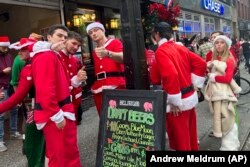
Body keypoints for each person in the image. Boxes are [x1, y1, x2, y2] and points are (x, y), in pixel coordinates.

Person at [150, 22, 206, 150]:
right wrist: (195, 85)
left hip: (177, 103)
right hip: (188, 98)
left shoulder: (161, 51)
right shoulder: (180, 47)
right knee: (191, 136)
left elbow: (171, 74)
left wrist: (174, 101)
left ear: (157, 34)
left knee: (181, 141)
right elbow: (201, 64)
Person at [204, 35, 240, 150]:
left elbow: (228, 78)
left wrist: (213, 77)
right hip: (216, 94)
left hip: (225, 95)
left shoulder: (229, 59)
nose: (219, 44)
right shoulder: (216, 59)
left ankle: (230, 147)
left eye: (222, 42)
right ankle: (229, 145)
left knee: (227, 119)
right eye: (216, 43)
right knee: (221, 118)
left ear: (226, 45)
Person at [86, 22, 125, 116]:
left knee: (118, 116)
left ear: (103, 30)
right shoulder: (94, 51)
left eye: (96, 30)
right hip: (99, 87)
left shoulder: (115, 42)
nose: (93, 34)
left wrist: (108, 53)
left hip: (115, 84)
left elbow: (123, 58)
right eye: (90, 33)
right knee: (103, 117)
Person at [57, 31, 86, 125]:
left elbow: (80, 79)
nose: (76, 47)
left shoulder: (75, 60)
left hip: (75, 100)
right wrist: (74, 81)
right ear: (65, 40)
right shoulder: (55, 57)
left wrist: (81, 78)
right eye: (73, 43)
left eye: (78, 45)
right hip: (61, 103)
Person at [0, 36, 22, 152]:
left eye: (6, 47)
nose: (5, 49)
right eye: (3, 47)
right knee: (0, 114)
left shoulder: (9, 56)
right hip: (1, 88)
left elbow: (14, 70)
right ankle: (0, 141)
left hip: (10, 86)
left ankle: (13, 132)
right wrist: (2, 71)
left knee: (14, 110)